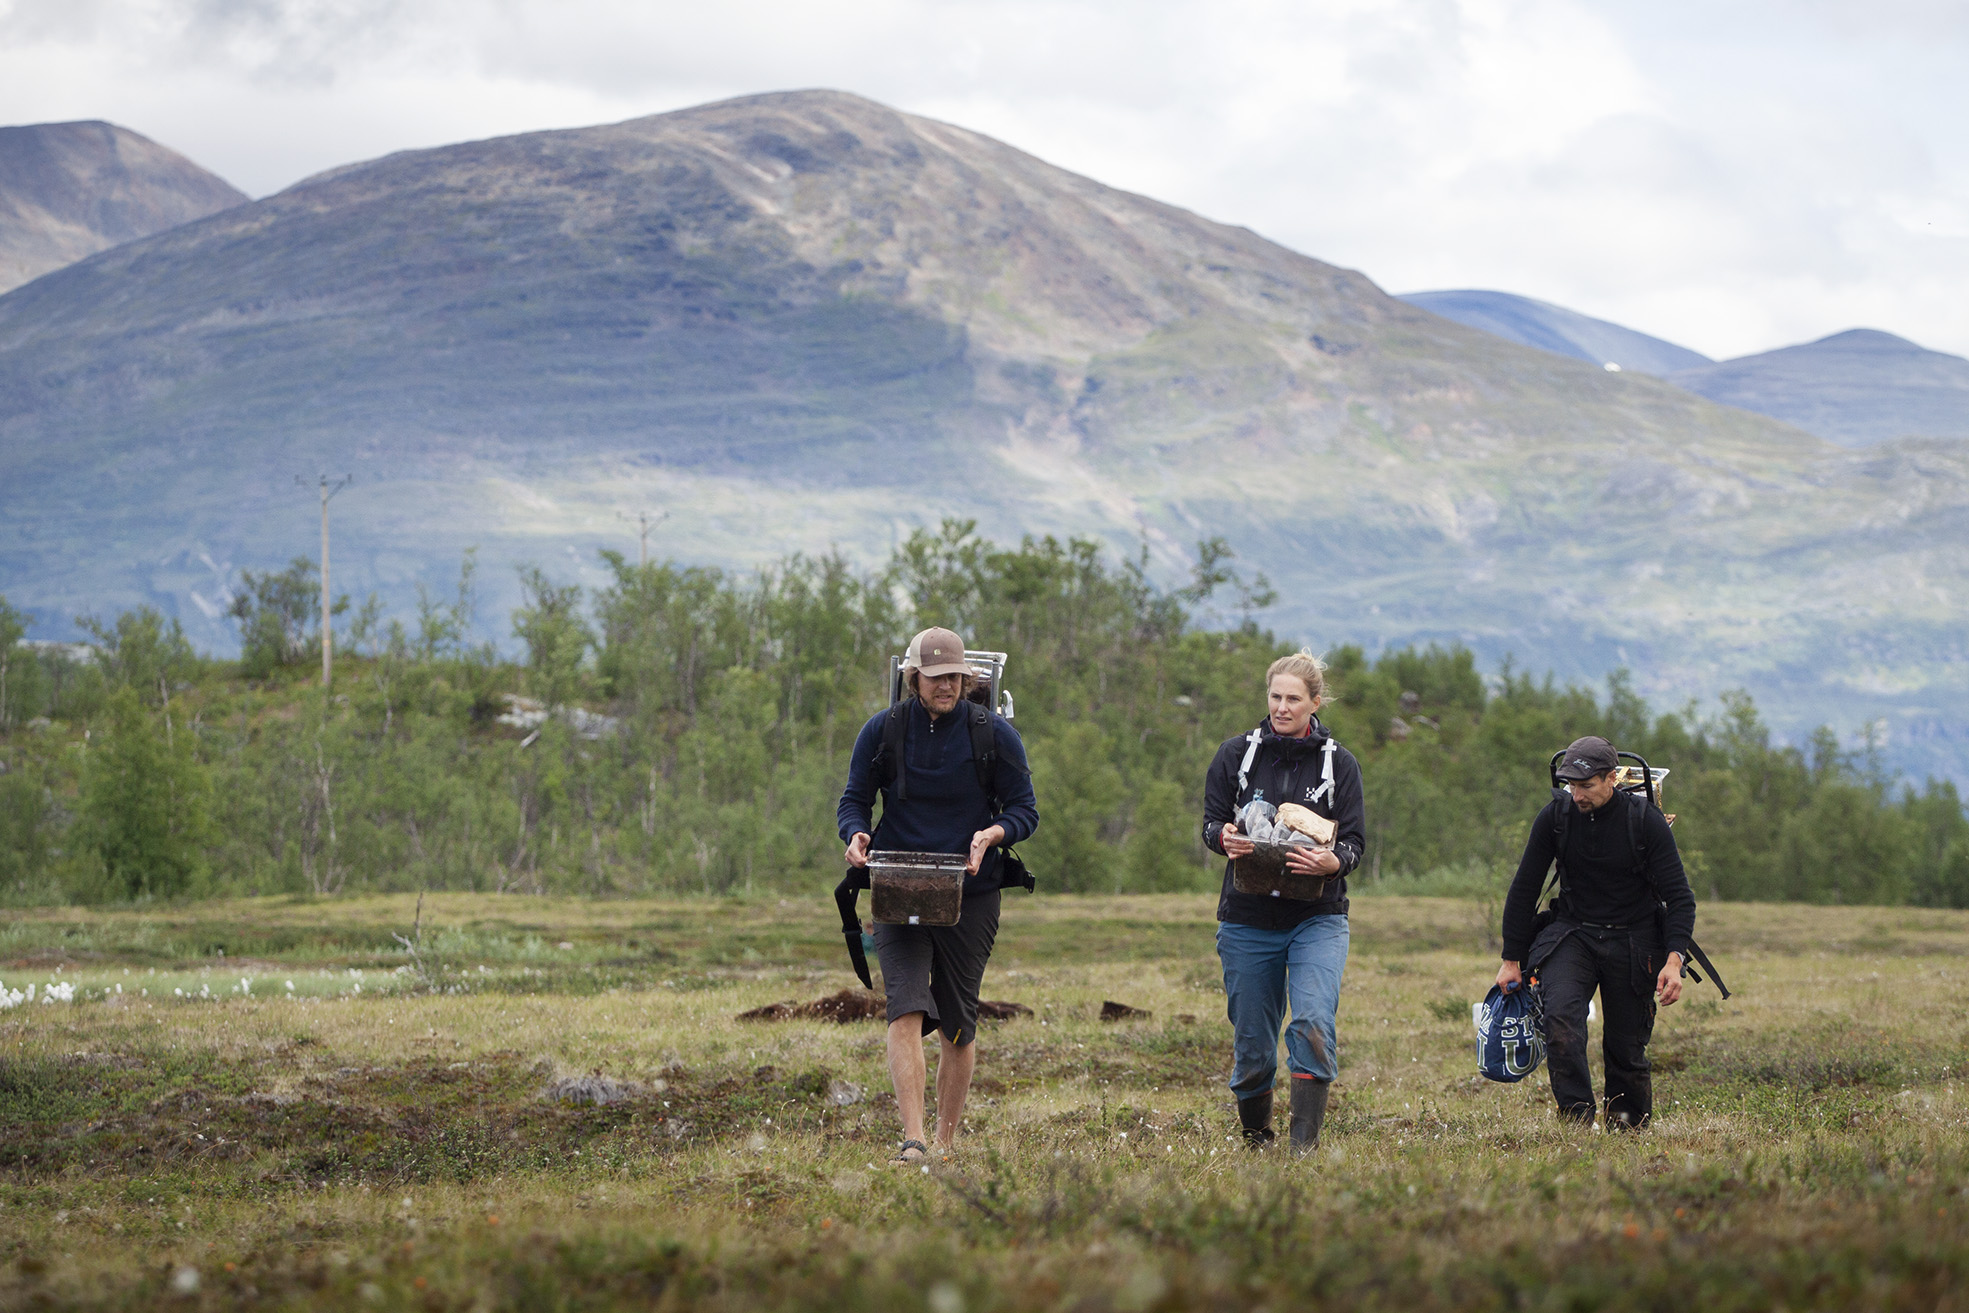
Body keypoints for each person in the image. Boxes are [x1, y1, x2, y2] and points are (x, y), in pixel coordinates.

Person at [837, 627, 1039, 1165]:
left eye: (953, 677)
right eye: (934, 678)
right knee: (903, 1010)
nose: (945, 686)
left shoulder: (994, 735)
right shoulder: (882, 731)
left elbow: (1025, 811)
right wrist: (855, 834)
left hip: (971, 893)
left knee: (956, 1019)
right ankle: (914, 1139)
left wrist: (993, 835)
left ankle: (946, 1142)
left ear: (966, 677)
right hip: (897, 886)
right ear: (913, 679)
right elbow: (853, 800)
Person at [1201, 651, 1365, 1153]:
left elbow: (1355, 842)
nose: (1282, 707)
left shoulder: (1339, 763)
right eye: (1275, 697)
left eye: (1293, 699)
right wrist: (1223, 838)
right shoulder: (1236, 755)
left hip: (1317, 916)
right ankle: (1257, 1139)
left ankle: (1303, 1148)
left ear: (1314, 703)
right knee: (1252, 1043)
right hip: (1247, 917)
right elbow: (1210, 823)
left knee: (1313, 1020)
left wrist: (1333, 861)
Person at [1496, 735, 1697, 1128]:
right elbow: (1524, 889)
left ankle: (1627, 1128)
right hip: (1574, 934)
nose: (1577, 795)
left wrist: (1674, 961)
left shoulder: (1645, 822)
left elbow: (1680, 898)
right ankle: (1576, 1122)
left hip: (1634, 938)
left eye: (1586, 786)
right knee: (1560, 1026)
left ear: (1611, 780)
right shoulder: (1554, 818)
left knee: (1625, 1048)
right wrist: (1511, 960)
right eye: (1571, 785)